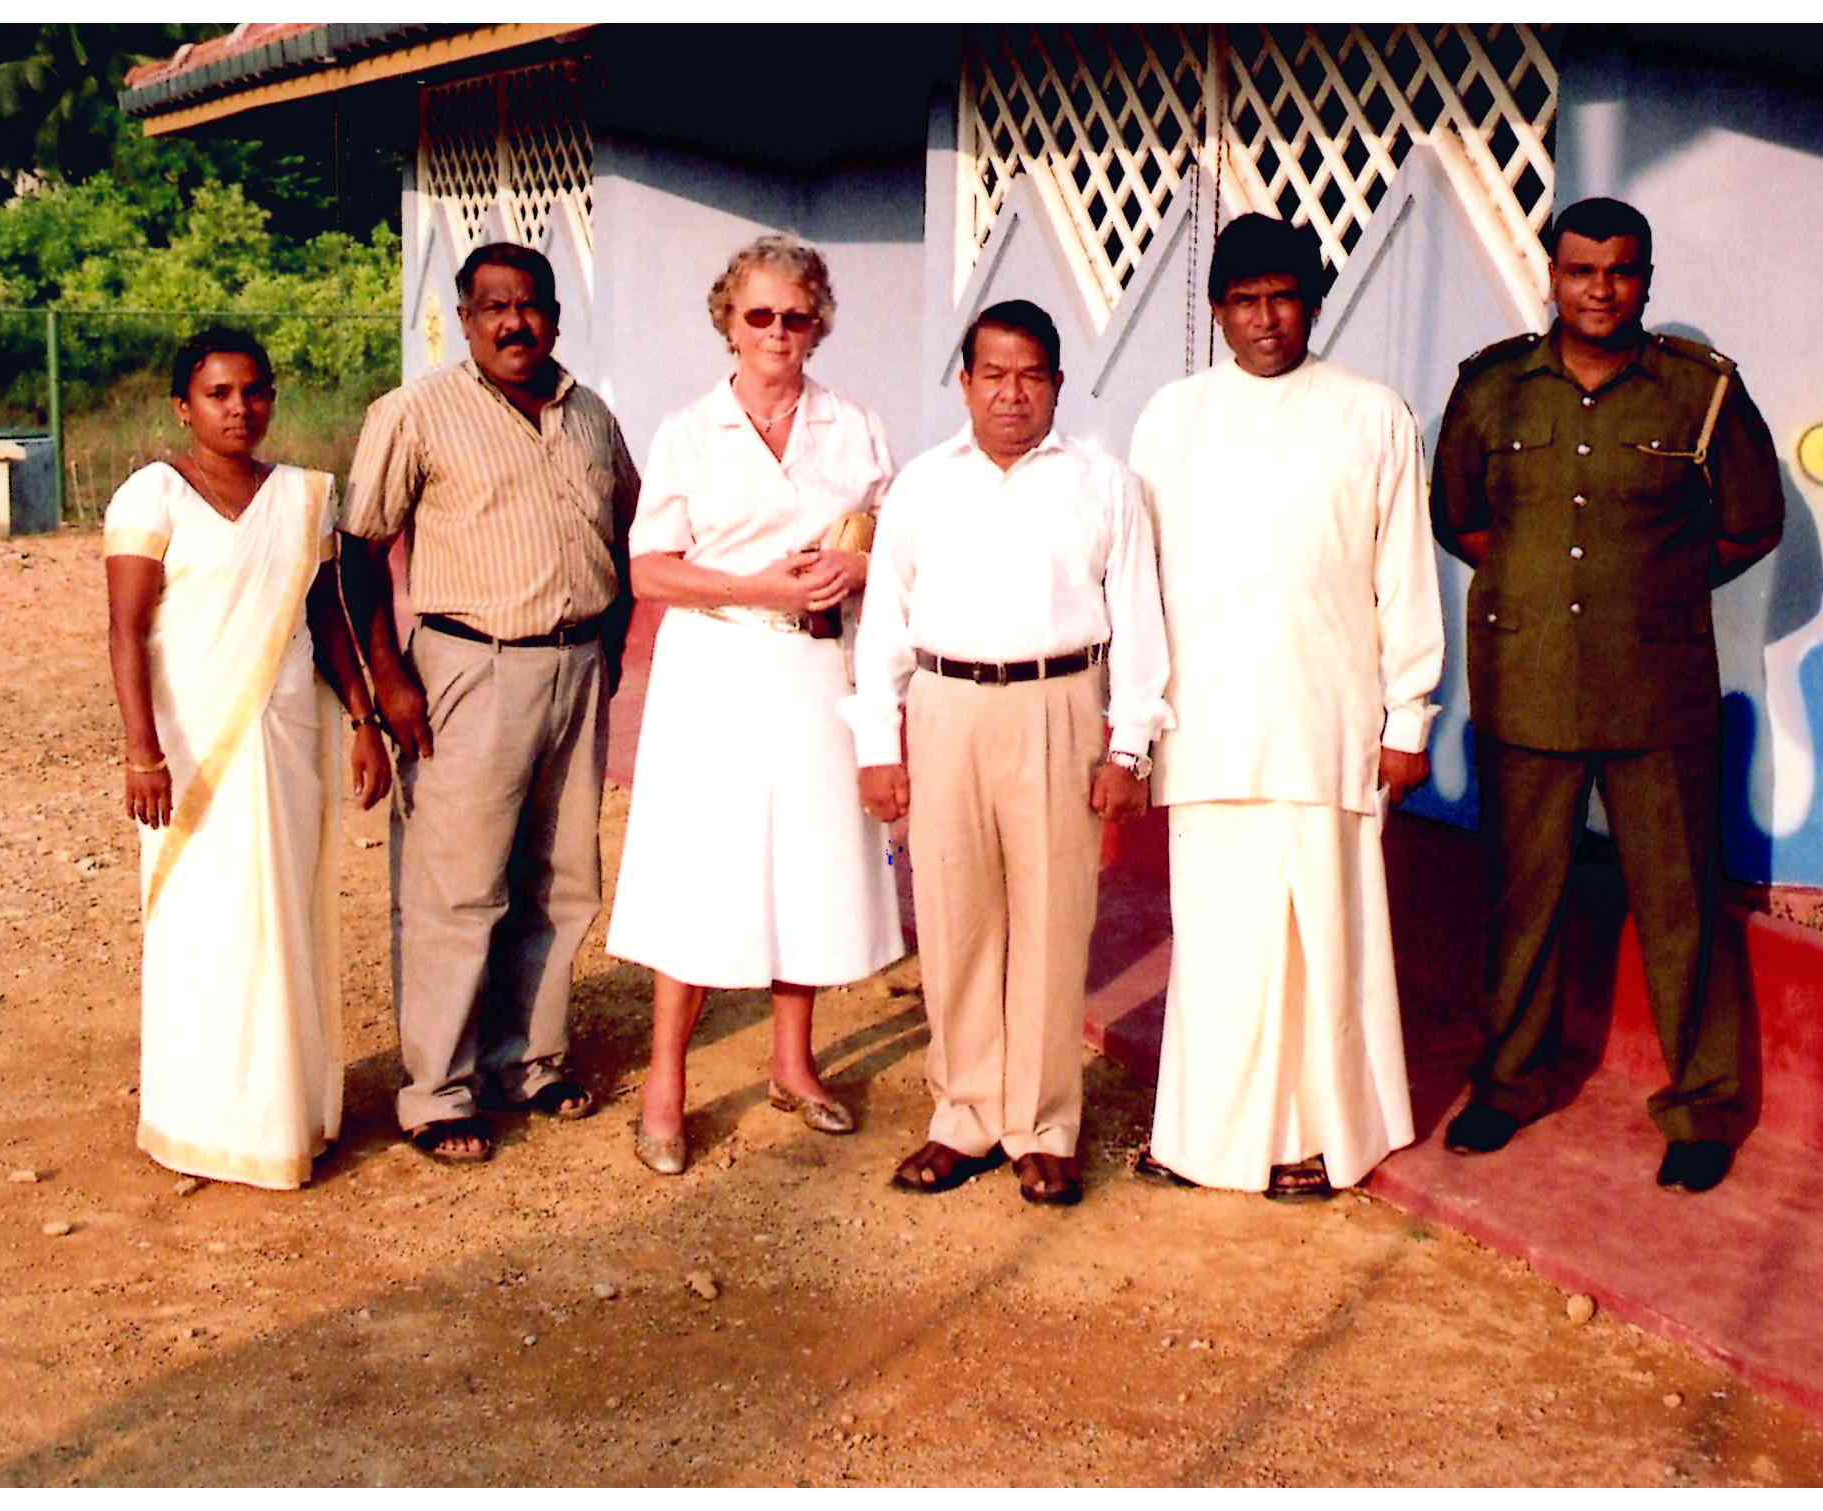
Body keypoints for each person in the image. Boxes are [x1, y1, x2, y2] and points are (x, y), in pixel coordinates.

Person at [1430, 197, 1785, 1194]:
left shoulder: (1699, 392)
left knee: (1682, 906)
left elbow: (1751, 523)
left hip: (1656, 685)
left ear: (1645, 280)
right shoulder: (1492, 388)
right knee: (1521, 896)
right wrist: (1548, 591)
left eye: (1619, 271)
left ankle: (1704, 1106)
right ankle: (1509, 1080)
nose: (1598, 288)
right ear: (1550, 274)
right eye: (1580, 269)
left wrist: (1649, 590)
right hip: (1528, 679)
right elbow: (1458, 518)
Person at [1127, 214, 1444, 1201]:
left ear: (1312, 303)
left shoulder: (1370, 414)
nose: (1267, 319)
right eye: (1246, 300)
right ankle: (1203, 1136)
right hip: (1208, 724)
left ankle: (1324, 1133)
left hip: (1328, 719)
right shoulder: (1171, 418)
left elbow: (1404, 575)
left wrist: (1407, 718)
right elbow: (1137, 584)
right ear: (1218, 311)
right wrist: (1132, 724)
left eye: (1284, 297)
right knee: (1219, 937)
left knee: (1324, 938)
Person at [849, 299, 1172, 1207]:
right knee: (954, 919)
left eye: (1031, 374)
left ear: (1058, 384)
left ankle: (1042, 1125)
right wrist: (880, 740)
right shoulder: (920, 485)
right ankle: (962, 1114)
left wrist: (1130, 748)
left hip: (1059, 704)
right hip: (946, 705)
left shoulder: (1102, 482)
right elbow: (884, 625)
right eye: (993, 373)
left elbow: (1140, 624)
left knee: (1050, 920)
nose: (1011, 393)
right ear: (965, 382)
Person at [608, 235, 903, 1175]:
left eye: (796, 316)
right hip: (716, 672)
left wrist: (861, 563)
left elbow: (892, 537)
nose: (778, 332)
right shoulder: (689, 431)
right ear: (728, 322)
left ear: (819, 325)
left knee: (808, 866)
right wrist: (762, 589)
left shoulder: (852, 425)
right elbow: (648, 564)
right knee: (705, 868)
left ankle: (792, 1062)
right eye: (760, 315)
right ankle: (666, 1084)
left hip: (819, 674)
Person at [339, 242, 639, 1164]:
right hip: (467, 667)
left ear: (555, 312)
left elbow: (622, 534)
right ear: (465, 318)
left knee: (560, 880)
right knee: (457, 886)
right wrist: (390, 680)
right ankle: (438, 1088)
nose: (514, 323)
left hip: (573, 666)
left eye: (531, 305)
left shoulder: (591, 416)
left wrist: (610, 649)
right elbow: (357, 552)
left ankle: (529, 1059)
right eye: (492, 307)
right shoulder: (416, 413)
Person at [105, 326, 392, 1190]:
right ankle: (203, 1119)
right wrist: (141, 752)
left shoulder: (303, 497)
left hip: (288, 733)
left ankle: (288, 1112)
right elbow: (124, 631)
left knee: (284, 911)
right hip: (192, 750)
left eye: (255, 390)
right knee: (205, 923)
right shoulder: (151, 495)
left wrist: (363, 719)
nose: (240, 409)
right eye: (219, 394)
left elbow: (328, 618)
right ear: (182, 407)